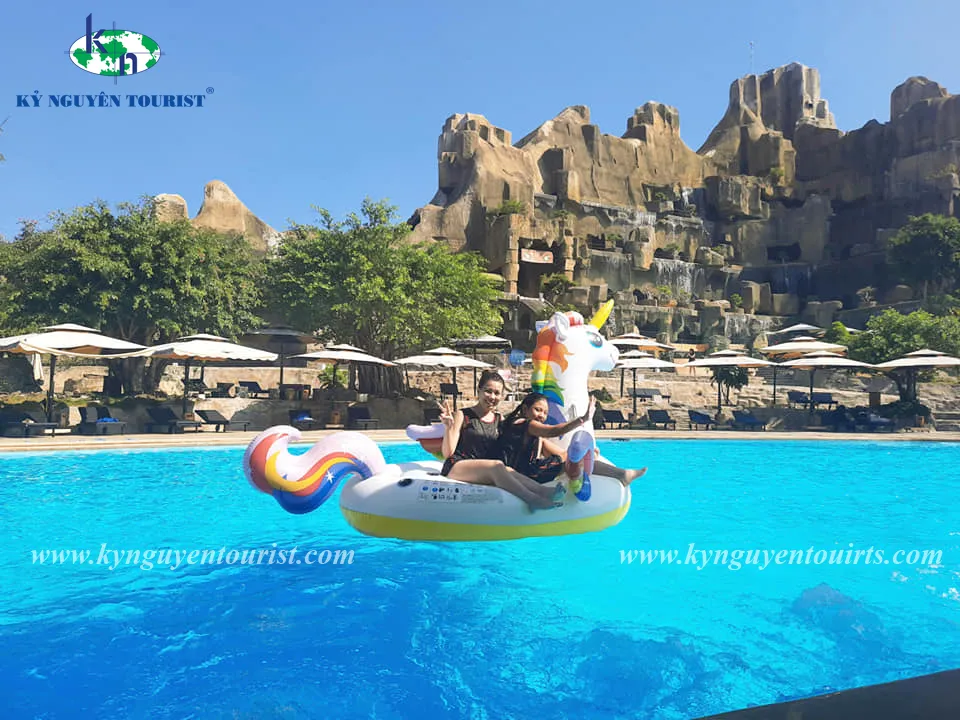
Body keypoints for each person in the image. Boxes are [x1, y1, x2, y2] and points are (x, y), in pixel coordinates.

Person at [438, 370, 563, 511]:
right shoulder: (462, 415)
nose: (492, 397)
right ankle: (533, 500)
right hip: (458, 466)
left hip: (485, 469)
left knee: (507, 469)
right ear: (479, 390)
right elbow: (448, 453)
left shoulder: (500, 420)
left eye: (497, 393)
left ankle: (543, 491)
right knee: (497, 466)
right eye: (488, 391)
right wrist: (448, 427)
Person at [499, 392, 647, 488]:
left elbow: (562, 454)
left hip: (528, 471)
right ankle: (623, 475)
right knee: (577, 462)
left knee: (575, 459)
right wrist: (583, 419)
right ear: (525, 409)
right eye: (537, 410)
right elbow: (555, 430)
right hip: (527, 475)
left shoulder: (530, 432)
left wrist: (586, 454)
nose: (541, 415)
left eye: (545, 412)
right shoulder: (524, 424)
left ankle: (620, 473)